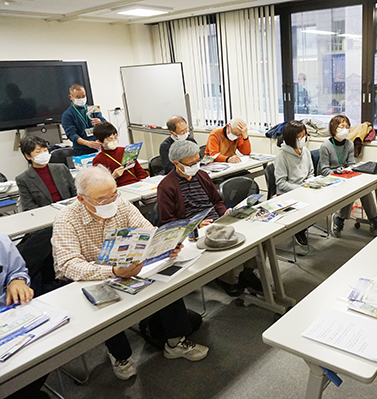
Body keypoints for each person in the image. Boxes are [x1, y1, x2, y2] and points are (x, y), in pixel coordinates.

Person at [52, 166, 208, 381]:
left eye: (114, 194)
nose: (111, 202)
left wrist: (166, 243)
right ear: (81, 199)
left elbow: (149, 231)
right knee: (108, 309)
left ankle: (176, 342)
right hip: (91, 276)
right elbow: (68, 265)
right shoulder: (66, 220)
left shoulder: (121, 205)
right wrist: (113, 271)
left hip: (129, 265)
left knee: (165, 281)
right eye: (102, 200)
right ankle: (120, 355)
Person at [157, 140, 263, 296]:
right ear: (176, 163)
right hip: (193, 231)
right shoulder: (166, 186)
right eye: (191, 163)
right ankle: (227, 279)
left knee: (257, 237)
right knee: (220, 243)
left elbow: (216, 201)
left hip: (216, 219)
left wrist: (225, 212)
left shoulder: (202, 175)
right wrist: (194, 225)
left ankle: (247, 272)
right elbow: (168, 222)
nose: (195, 165)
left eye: (197, 161)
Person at [1, 233, 50, 399]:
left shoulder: (1, 241)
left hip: (9, 316)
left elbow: (16, 270)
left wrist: (17, 281)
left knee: (45, 354)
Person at [318, 114, 377, 237]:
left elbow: (351, 163)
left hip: (346, 176)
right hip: (332, 179)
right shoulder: (326, 146)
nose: (345, 129)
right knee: (350, 191)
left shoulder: (349, 144)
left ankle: (374, 219)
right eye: (341, 126)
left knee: (365, 188)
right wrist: (338, 173)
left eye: (347, 127)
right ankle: (339, 219)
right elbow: (324, 170)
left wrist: (349, 171)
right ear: (333, 128)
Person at [274, 120, 313, 246]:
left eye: (304, 135)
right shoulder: (282, 155)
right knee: (309, 210)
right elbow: (281, 183)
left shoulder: (305, 151)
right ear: (291, 138)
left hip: (304, 190)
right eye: (300, 136)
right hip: (287, 194)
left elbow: (311, 173)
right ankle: (298, 229)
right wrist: (300, 189)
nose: (303, 139)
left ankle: (300, 228)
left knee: (321, 207)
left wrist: (310, 184)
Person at [16, 135, 76, 211]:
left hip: (69, 210)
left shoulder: (61, 168)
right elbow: (29, 206)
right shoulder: (23, 179)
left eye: (45, 150)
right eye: (38, 151)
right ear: (28, 156)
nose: (43, 154)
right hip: (45, 214)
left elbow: (75, 192)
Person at [91, 121, 147, 187]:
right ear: (99, 141)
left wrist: (143, 183)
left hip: (137, 185)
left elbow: (140, 172)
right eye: (109, 139)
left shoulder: (126, 151)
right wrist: (113, 176)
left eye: (115, 137)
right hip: (118, 189)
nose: (114, 140)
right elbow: (101, 185)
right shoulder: (98, 160)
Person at [61, 84, 104, 156]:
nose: (81, 99)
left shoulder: (93, 109)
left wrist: (101, 122)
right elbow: (72, 135)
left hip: (100, 147)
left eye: (83, 96)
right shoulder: (68, 114)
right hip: (82, 150)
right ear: (70, 97)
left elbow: (106, 125)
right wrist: (87, 143)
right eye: (78, 97)